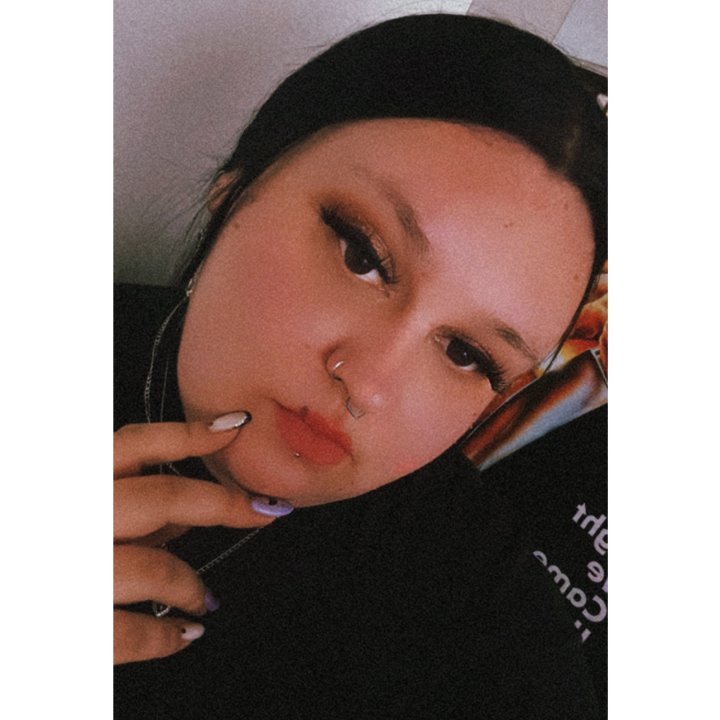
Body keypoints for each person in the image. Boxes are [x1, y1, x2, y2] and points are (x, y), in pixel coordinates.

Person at [114, 13, 607, 718]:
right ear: (240, 185)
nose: (369, 385)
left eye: (465, 355)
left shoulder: (472, 615)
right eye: (362, 256)